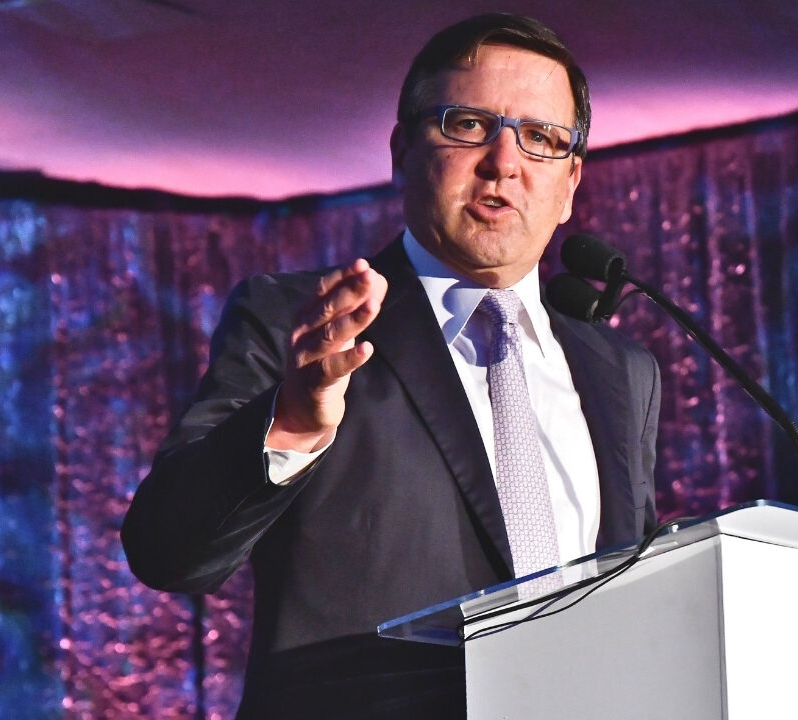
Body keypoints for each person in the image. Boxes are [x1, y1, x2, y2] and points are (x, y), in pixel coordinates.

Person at [121, 13, 660, 719]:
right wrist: (290, 419)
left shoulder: (621, 370)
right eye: (468, 124)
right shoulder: (301, 324)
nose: (505, 162)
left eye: (542, 139)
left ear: (569, 185)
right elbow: (169, 552)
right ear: (402, 151)